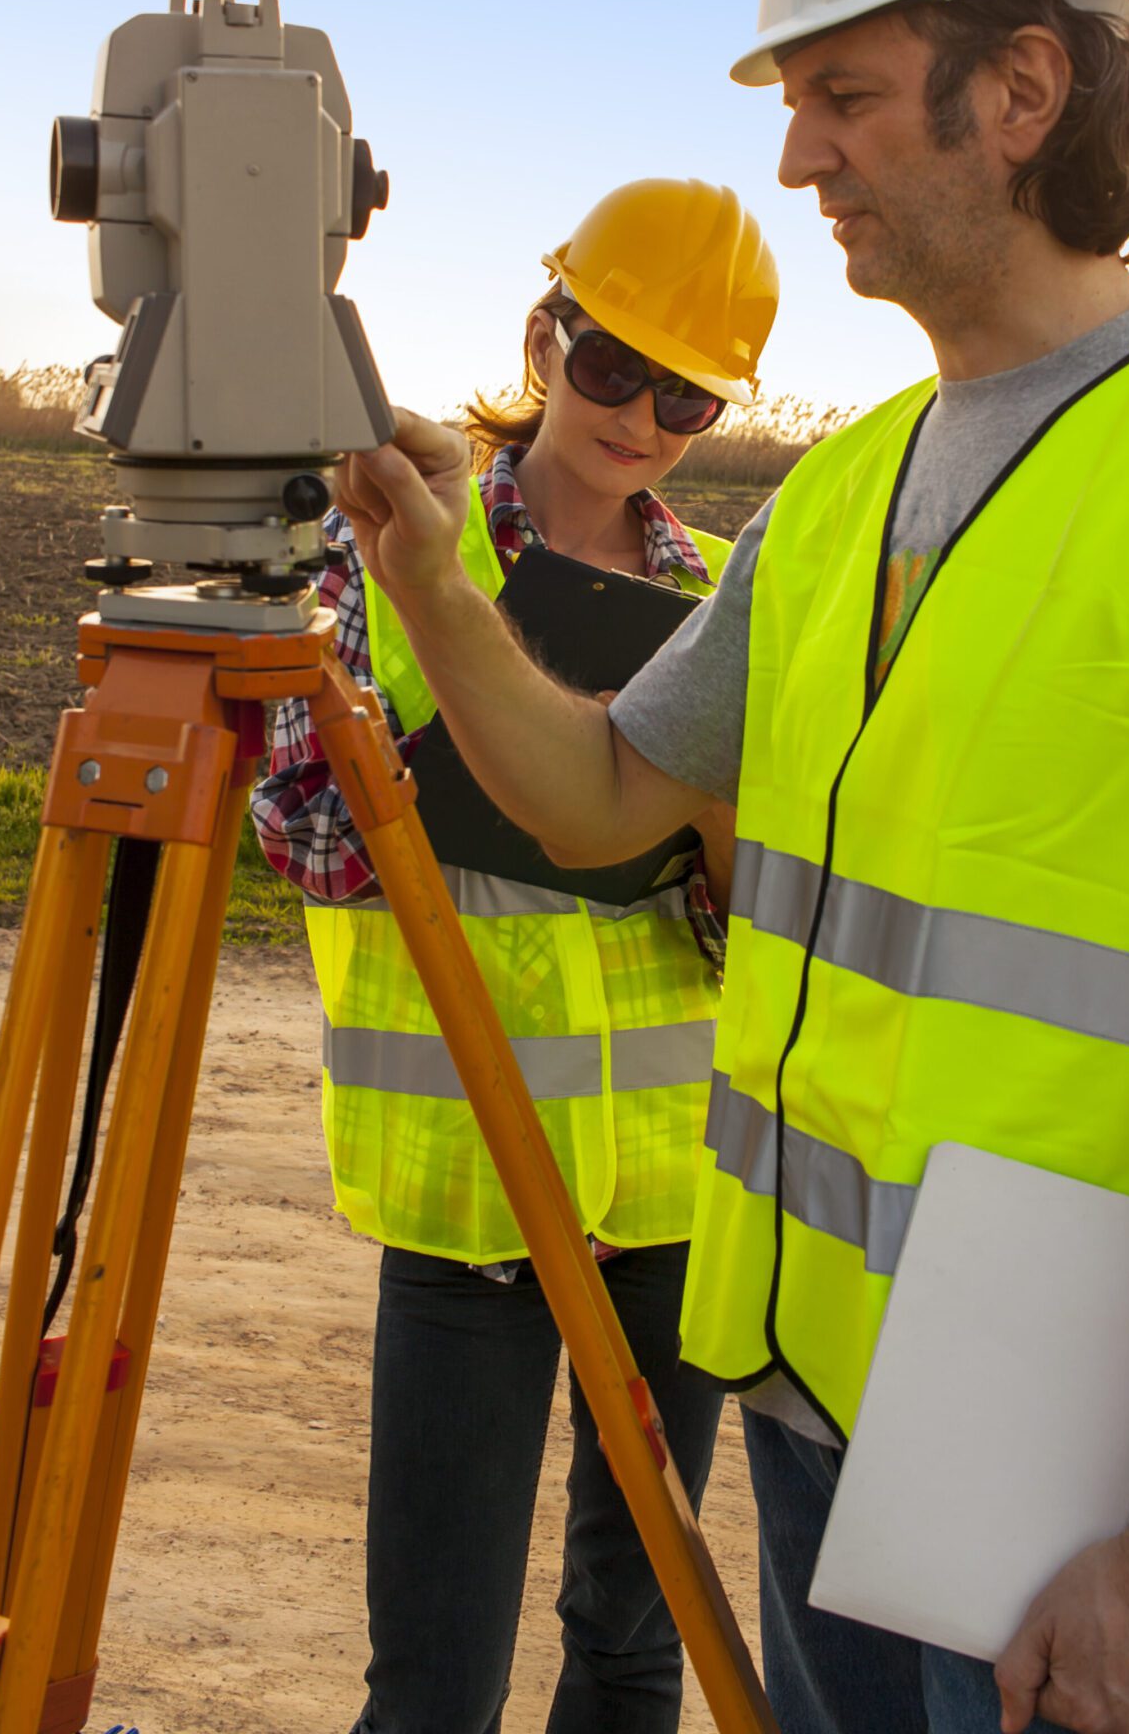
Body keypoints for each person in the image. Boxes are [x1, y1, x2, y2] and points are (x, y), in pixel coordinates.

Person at [329, 0, 1129, 1734]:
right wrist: (438, 584)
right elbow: (603, 797)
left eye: (845, 97)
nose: (797, 156)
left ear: (1022, 89)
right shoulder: (837, 497)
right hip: (819, 1431)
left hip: (1076, 1502)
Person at [252, 176, 779, 1734]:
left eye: (686, 396)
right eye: (612, 366)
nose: (639, 419)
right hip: (470, 1182)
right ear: (545, 337)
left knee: (632, 1647)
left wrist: (701, 835)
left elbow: (749, 923)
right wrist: (493, 763)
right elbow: (305, 833)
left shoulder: (716, 598)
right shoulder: (389, 545)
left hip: (676, 1189)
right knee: (435, 1683)